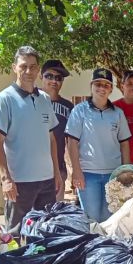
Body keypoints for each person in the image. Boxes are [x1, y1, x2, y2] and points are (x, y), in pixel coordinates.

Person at [0, 46, 62, 238]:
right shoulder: (4, 99)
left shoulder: (45, 99)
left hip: (46, 181)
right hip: (19, 183)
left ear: (38, 70)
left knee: (46, 232)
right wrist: (6, 179)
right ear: (14, 67)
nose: (28, 71)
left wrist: (56, 172)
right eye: (23, 66)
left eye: (33, 67)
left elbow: (51, 139)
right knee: (14, 236)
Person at [65, 68, 131, 222]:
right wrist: (76, 171)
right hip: (88, 175)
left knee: (111, 219)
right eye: (98, 84)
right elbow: (72, 142)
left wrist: (125, 171)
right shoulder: (79, 111)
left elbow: (124, 144)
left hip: (113, 174)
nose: (102, 88)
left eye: (106, 85)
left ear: (111, 89)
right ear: (91, 86)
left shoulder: (118, 113)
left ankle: (109, 246)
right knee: (92, 219)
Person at [40, 59, 74, 201]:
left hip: (58, 170)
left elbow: (72, 141)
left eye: (58, 78)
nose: (54, 81)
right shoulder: (31, 101)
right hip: (33, 170)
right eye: (49, 76)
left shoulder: (68, 107)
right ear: (41, 77)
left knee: (54, 215)